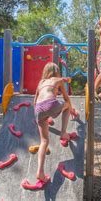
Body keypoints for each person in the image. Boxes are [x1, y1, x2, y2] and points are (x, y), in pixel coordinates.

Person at [26, 62, 73, 190]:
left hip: (38, 110)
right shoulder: (57, 80)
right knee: (68, 104)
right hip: (51, 104)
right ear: (57, 72)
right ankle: (63, 132)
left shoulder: (41, 82)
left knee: (44, 141)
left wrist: (40, 116)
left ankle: (40, 172)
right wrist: (66, 80)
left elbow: (35, 101)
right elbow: (65, 97)